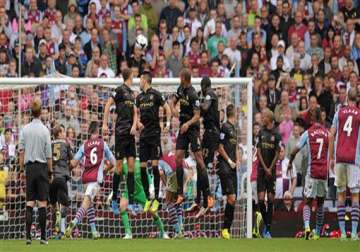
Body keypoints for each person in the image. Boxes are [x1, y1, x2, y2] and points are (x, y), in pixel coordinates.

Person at [169, 68, 214, 208]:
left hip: (192, 129)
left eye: (179, 76)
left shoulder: (193, 94)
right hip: (183, 128)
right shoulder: (180, 89)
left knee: (200, 161)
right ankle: (180, 194)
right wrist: (173, 108)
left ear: (183, 78)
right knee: (177, 158)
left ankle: (209, 196)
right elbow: (173, 101)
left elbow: (197, 116)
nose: (178, 79)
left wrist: (187, 124)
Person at [65, 121, 115, 239]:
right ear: (97, 131)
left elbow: (73, 163)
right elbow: (113, 162)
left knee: (90, 204)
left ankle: (93, 231)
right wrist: (105, 171)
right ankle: (74, 222)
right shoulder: (103, 144)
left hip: (85, 178)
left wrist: (64, 169)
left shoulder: (84, 145)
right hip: (96, 178)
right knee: (86, 202)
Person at [289, 108, 331, 240]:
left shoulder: (308, 133)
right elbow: (331, 152)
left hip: (311, 172)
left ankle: (307, 227)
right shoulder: (327, 133)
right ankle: (317, 233)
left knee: (307, 201)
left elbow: (295, 149)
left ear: (313, 119)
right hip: (323, 173)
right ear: (322, 119)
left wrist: (290, 160)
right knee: (320, 203)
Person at [103, 68, 138, 215]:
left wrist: (135, 125)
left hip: (130, 134)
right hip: (120, 133)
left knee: (131, 167)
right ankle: (114, 201)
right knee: (118, 167)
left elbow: (136, 112)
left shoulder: (132, 93)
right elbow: (107, 105)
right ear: (130, 75)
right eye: (133, 74)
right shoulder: (119, 90)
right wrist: (105, 124)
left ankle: (130, 201)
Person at [135, 71, 171, 212]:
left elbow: (167, 108)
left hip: (155, 135)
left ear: (145, 79)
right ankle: (147, 199)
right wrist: (137, 123)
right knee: (143, 168)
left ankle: (156, 199)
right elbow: (135, 114)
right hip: (143, 136)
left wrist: (167, 124)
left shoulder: (156, 94)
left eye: (140, 79)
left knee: (155, 167)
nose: (139, 81)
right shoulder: (139, 97)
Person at [19, 98, 52, 245]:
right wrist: (50, 171)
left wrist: (21, 168)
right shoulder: (45, 130)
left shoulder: (24, 129)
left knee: (30, 202)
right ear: (40, 112)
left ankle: (28, 237)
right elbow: (49, 154)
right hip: (42, 167)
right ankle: (43, 237)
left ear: (31, 112)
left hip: (30, 168)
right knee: (43, 203)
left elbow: (21, 151)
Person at [330, 88, 360, 241]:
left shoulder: (339, 112)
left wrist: (331, 157)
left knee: (341, 194)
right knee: (355, 196)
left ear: (347, 97)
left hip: (340, 157)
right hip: (354, 159)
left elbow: (331, 134)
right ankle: (354, 233)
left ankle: (342, 233)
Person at [189, 77, 219, 216]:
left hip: (211, 134)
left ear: (203, 85)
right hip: (209, 133)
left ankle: (208, 201)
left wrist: (195, 102)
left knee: (202, 166)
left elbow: (205, 106)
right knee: (199, 166)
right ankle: (198, 200)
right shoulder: (208, 94)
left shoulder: (210, 93)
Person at [119, 159, 168, 239]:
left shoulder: (140, 162)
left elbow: (147, 175)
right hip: (129, 191)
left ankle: (163, 232)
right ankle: (129, 233)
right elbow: (118, 174)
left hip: (140, 192)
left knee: (152, 211)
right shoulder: (124, 163)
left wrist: (151, 186)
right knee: (122, 207)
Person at [257, 108, 281, 238]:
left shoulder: (276, 134)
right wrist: (265, 168)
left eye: (264, 116)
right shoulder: (261, 132)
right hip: (261, 171)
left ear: (270, 119)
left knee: (271, 199)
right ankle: (266, 224)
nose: (262, 118)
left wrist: (270, 168)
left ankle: (268, 229)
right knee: (261, 200)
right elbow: (259, 151)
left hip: (271, 172)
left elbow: (277, 153)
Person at [217, 104, 240, 239]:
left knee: (233, 199)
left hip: (232, 167)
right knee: (231, 197)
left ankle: (226, 230)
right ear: (234, 113)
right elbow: (220, 147)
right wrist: (229, 160)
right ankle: (225, 229)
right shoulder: (224, 127)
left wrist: (237, 159)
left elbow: (235, 146)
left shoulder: (234, 129)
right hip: (225, 166)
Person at [50, 124, 73, 239]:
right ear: (59, 133)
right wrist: (68, 168)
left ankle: (59, 232)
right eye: (63, 132)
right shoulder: (66, 144)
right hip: (63, 177)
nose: (65, 134)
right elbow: (73, 162)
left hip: (53, 177)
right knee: (66, 204)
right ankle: (61, 229)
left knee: (54, 204)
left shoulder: (50, 144)